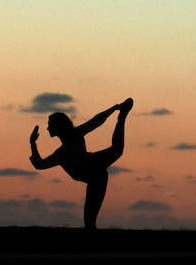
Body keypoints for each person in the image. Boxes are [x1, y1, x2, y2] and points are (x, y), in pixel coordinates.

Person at [29, 98, 133, 230]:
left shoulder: (70, 141)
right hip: (94, 168)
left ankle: (122, 116)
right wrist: (33, 144)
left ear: (58, 126)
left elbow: (96, 121)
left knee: (117, 149)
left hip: (94, 167)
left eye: (50, 125)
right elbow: (39, 164)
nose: (48, 128)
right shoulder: (62, 152)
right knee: (89, 221)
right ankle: (122, 116)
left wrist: (114, 108)